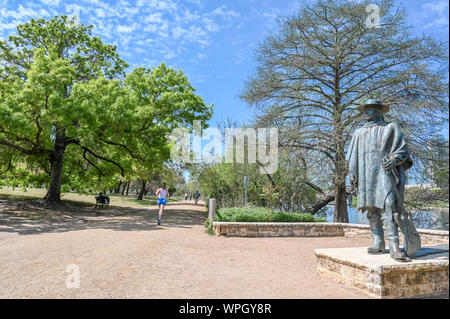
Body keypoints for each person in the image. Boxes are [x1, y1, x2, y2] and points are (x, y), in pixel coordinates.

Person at [346, 99, 420, 262]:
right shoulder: (359, 133)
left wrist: (394, 160)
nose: (365, 112)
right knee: (371, 208)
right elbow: (352, 156)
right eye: (364, 110)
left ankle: (394, 245)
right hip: (365, 175)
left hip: (384, 173)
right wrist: (353, 174)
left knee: (389, 206)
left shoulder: (390, 127)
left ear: (378, 111)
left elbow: (403, 149)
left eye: (369, 109)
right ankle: (378, 241)